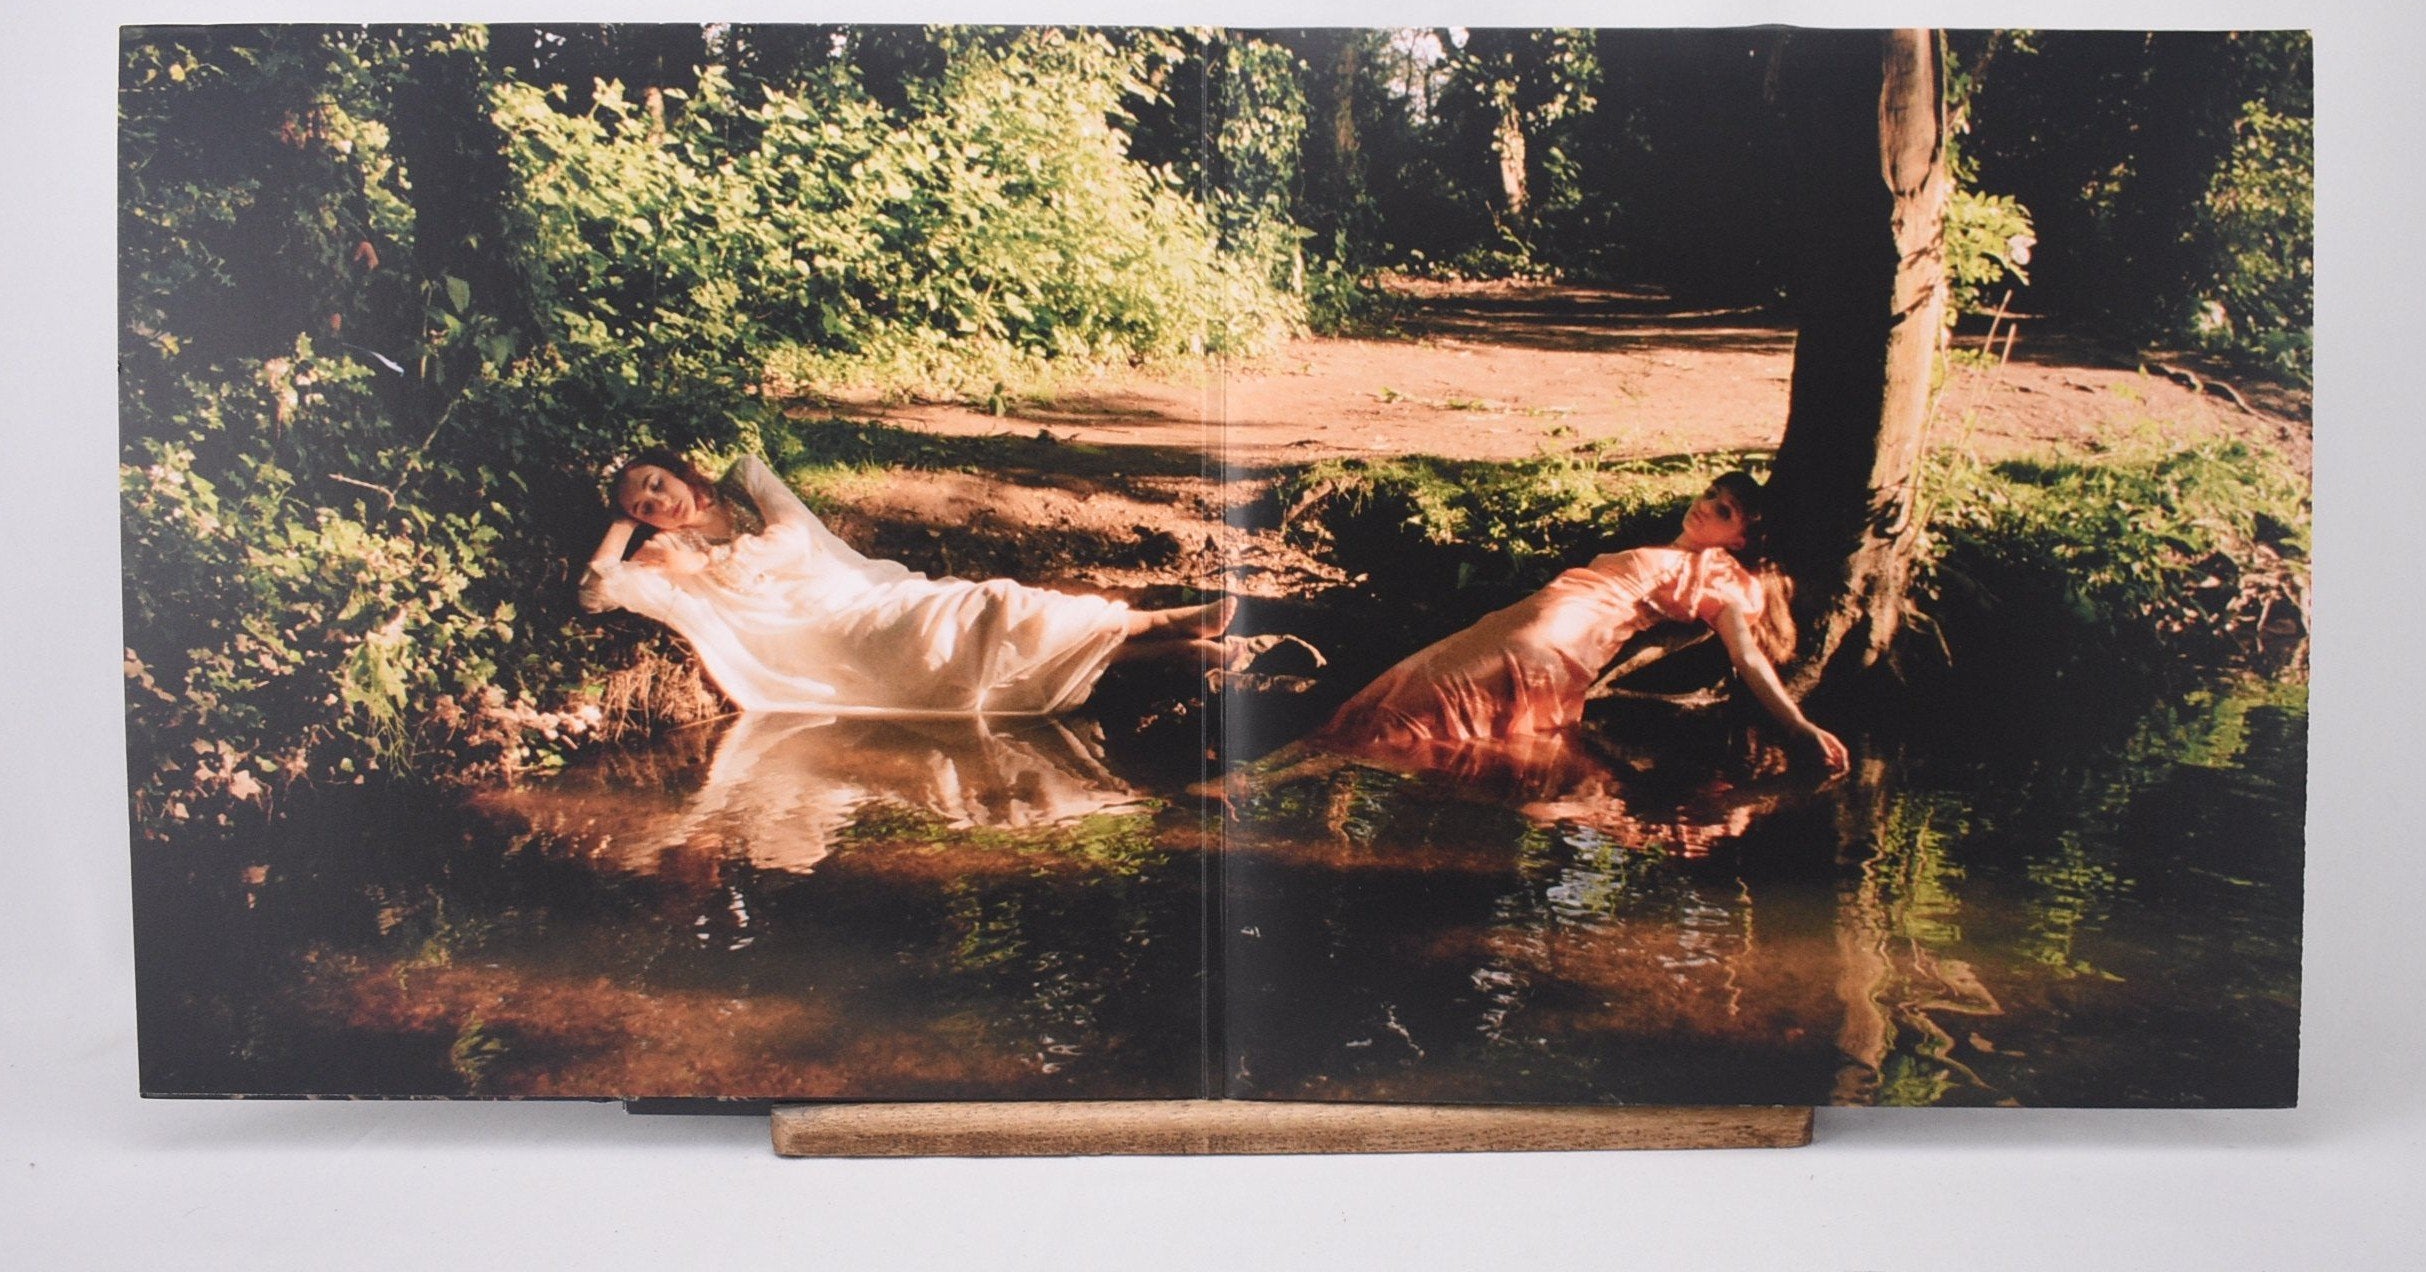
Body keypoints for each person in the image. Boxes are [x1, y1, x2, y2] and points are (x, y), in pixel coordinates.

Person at [579, 449, 1234, 717]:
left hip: (863, 593)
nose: (656, 501)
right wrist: (621, 528)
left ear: (679, 471)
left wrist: (717, 561)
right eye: (642, 505)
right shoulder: (669, 551)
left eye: (655, 483)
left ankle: (1159, 632)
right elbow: (594, 593)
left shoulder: (746, 486)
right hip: (824, 636)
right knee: (980, 627)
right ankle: (1163, 639)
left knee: (990, 606)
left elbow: (796, 534)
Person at [1316, 471, 1849, 773]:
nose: (1706, 506)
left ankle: (1290, 780)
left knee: (1410, 720)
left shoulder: (1717, 576)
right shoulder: (1675, 554)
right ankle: (1288, 774)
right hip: (1516, 628)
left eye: (1725, 512)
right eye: (1712, 493)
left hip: (1546, 647)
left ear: (1739, 540)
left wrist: (1797, 726)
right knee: (1393, 699)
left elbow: (1746, 657)